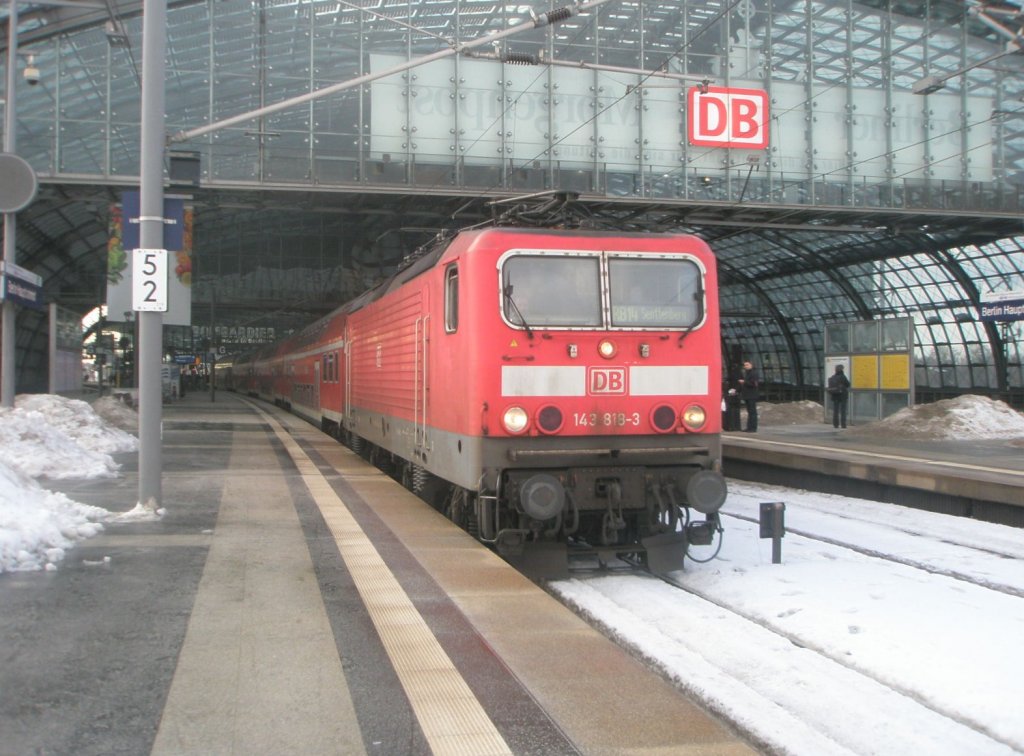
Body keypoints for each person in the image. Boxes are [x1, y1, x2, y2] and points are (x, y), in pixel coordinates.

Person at [738, 360, 759, 432]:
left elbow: (754, 384)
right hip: (747, 395)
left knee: (752, 411)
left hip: (752, 395)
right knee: (750, 411)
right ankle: (749, 427)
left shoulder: (754, 373)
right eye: (745, 365)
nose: (745, 366)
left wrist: (744, 382)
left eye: (747, 365)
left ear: (751, 365)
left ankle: (753, 428)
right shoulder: (747, 373)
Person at [827, 364, 851, 428]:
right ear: (841, 369)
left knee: (835, 410)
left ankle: (835, 424)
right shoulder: (843, 377)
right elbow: (848, 384)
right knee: (843, 410)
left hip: (835, 395)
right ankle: (843, 424)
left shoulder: (833, 377)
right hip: (842, 395)